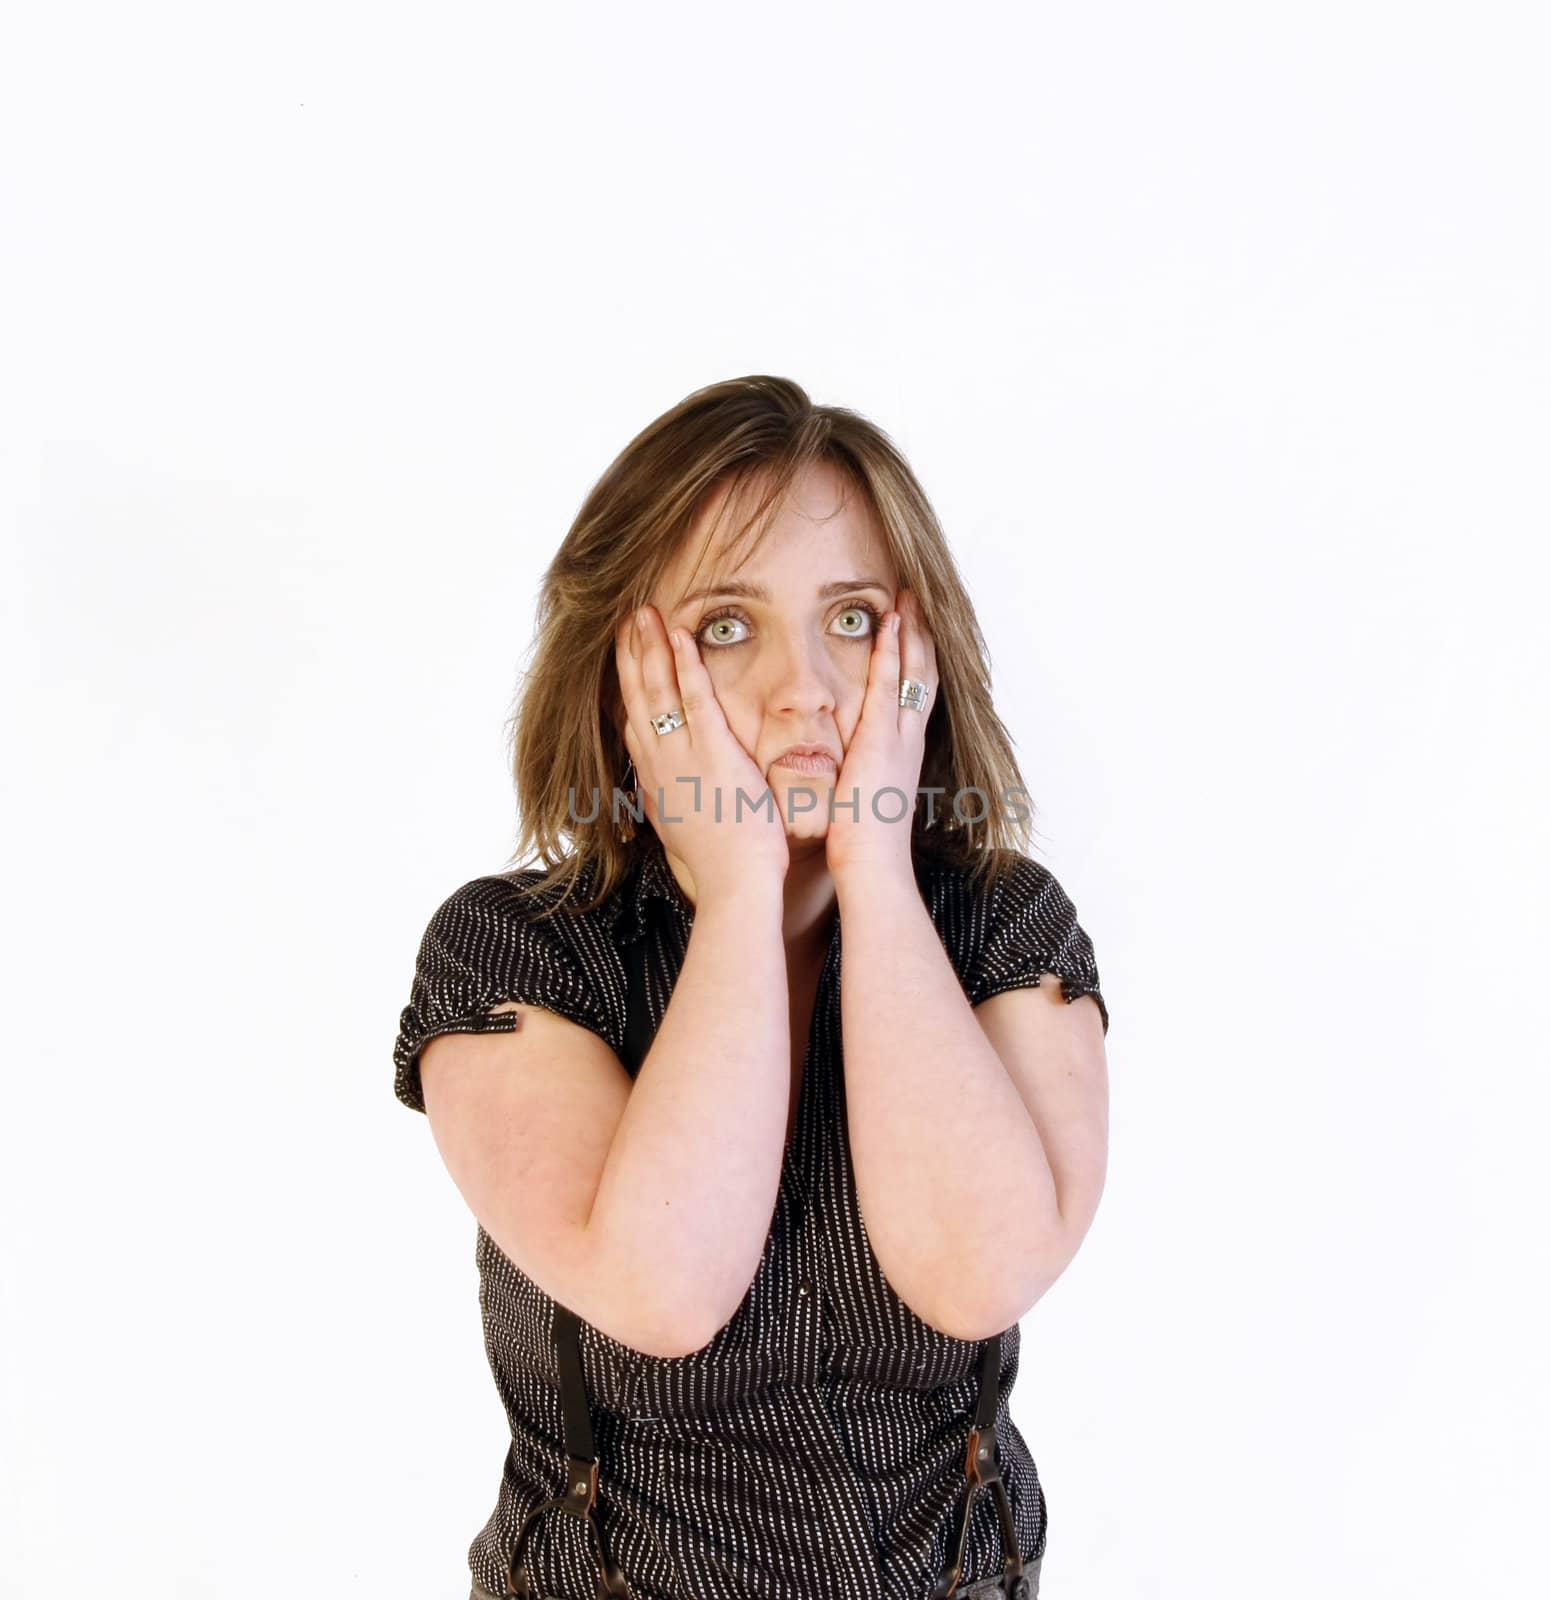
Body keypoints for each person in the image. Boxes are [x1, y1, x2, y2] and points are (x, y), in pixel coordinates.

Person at [391, 375, 1111, 1600]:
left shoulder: (1002, 923)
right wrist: (737, 892)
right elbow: (662, 1290)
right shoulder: (513, 952)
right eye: (727, 626)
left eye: (852, 621)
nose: (808, 690)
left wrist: (873, 867)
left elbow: (979, 1267)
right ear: (623, 678)